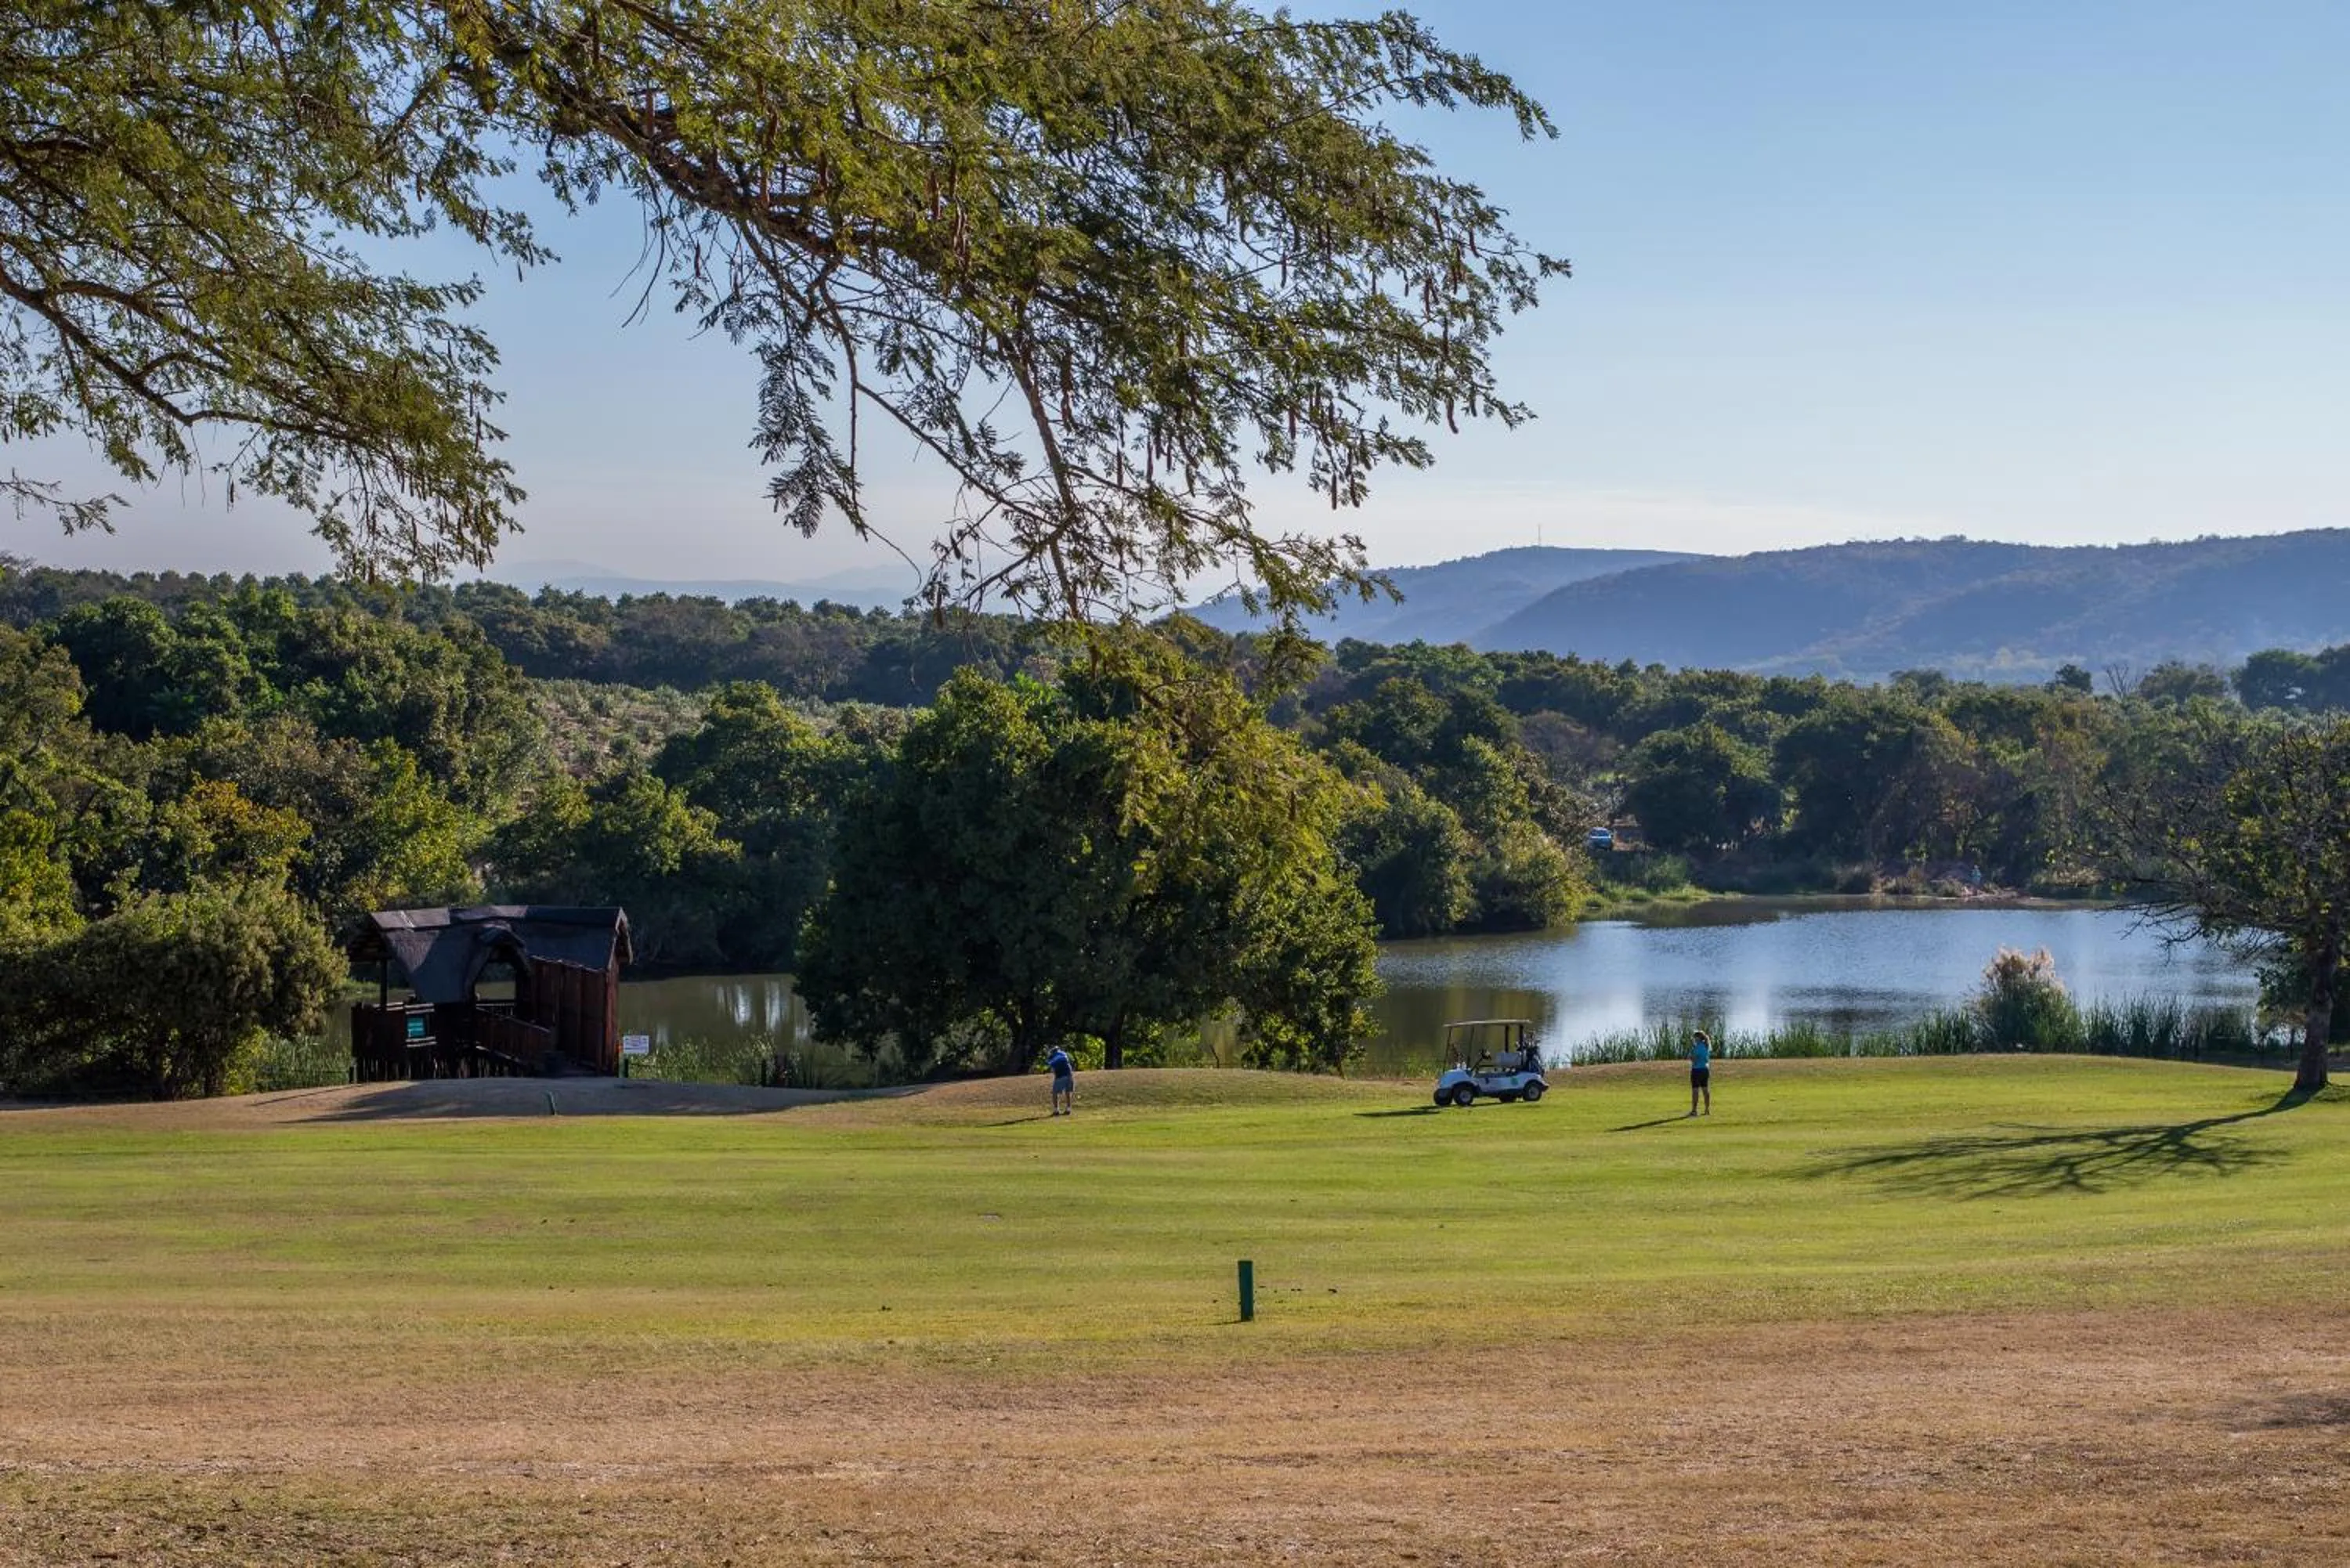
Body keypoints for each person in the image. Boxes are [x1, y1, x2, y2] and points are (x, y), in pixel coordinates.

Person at [1687, 1029, 1712, 1118]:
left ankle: (1694, 1111)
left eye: (1695, 1037)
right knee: (1705, 1090)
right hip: (1705, 1070)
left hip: (1696, 1070)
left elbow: (1694, 1060)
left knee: (1695, 1091)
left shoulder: (1696, 1048)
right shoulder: (1706, 1046)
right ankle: (1707, 1110)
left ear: (1698, 1038)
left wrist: (1691, 1055)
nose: (1693, 1039)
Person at [1047, 1045, 1076, 1116]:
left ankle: (1056, 1110)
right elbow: (1071, 1062)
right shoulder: (1064, 1054)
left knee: (1055, 1093)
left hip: (1060, 1076)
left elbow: (1052, 1068)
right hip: (1069, 1074)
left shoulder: (1052, 1057)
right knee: (1068, 1092)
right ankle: (1068, 1109)